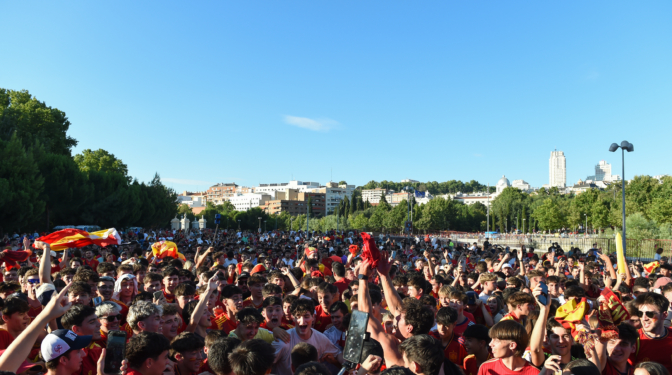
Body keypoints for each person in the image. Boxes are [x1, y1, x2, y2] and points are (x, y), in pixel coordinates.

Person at [271, 299, 343, 375]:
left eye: (306, 316)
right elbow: (265, 366)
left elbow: (338, 354)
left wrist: (348, 365)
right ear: (293, 318)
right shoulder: (283, 341)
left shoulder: (320, 338)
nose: (302, 321)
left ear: (313, 317)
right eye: (298, 317)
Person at [630, 293, 672, 373]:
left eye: (650, 314)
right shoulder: (634, 338)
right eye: (640, 313)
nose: (644, 318)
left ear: (664, 315)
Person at [61, 304, 103, 375]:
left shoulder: (98, 348)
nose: (99, 324)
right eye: (92, 322)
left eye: (97, 320)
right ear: (76, 329)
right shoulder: (69, 357)